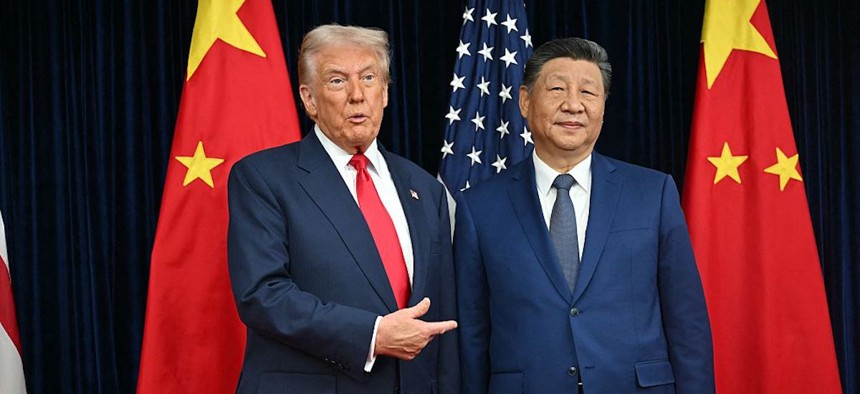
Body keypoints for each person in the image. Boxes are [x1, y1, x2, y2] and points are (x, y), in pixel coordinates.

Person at [454, 37, 714, 393]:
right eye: (557, 89)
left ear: (604, 106)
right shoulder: (479, 207)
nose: (573, 105)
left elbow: (687, 322)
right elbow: (472, 332)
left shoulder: (653, 194)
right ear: (526, 101)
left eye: (589, 93)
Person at [227, 24, 458, 393]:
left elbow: (443, 312)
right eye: (337, 81)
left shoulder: (425, 189)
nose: (357, 95)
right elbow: (263, 295)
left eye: (369, 78)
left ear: (384, 93)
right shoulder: (262, 178)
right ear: (309, 99)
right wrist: (372, 335)